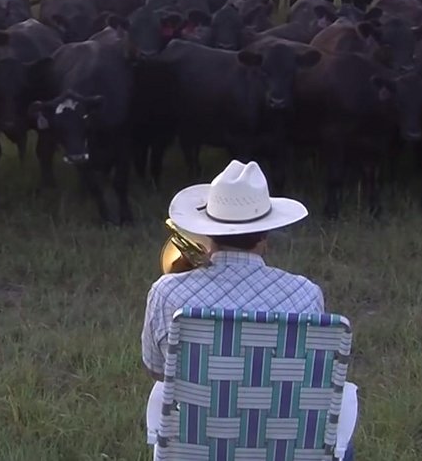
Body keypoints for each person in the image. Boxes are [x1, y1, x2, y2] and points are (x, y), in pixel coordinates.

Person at [142, 160, 357, 460]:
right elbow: (308, 382)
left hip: (198, 448)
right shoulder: (306, 294)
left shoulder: (167, 292)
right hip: (280, 448)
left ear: (209, 231)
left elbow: (157, 370)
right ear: (265, 235)